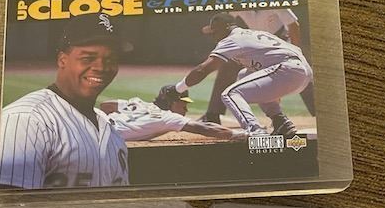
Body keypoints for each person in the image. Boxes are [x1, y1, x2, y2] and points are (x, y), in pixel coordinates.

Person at [0, 15, 129, 190]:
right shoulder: (27, 119)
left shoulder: (110, 130)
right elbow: (9, 202)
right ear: (62, 60)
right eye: (88, 58)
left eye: (110, 60)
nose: (101, 67)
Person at [159, 13, 313, 137]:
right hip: (301, 71)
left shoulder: (231, 39)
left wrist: (178, 88)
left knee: (230, 93)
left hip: (287, 70)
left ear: (226, 27)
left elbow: (202, 70)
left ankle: (255, 130)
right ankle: (280, 122)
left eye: (214, 31)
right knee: (243, 75)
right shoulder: (253, 33)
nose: (212, 35)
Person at [201, 9, 315, 124]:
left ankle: (321, 114)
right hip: (257, 45)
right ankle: (212, 115)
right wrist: (214, 28)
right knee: (228, 67)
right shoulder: (241, 3)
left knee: (300, 75)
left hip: (279, 44)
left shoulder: (274, 2)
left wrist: (296, 49)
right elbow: (227, 20)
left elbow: (293, 25)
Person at [99, 91, 245, 141]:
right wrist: (240, 134)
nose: (186, 108)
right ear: (171, 103)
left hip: (97, 122)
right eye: (183, 104)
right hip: (105, 136)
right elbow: (205, 128)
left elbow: (106, 105)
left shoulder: (139, 102)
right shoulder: (168, 117)